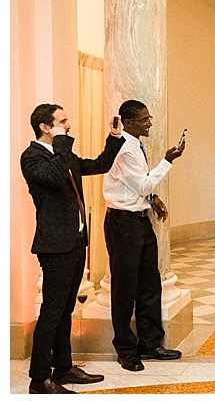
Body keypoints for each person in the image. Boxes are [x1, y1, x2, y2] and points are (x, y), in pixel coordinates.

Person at [20, 103, 124, 393]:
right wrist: (62, 144)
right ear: (44, 126)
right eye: (62, 121)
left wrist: (114, 139)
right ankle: (39, 378)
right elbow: (53, 178)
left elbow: (98, 165)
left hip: (76, 242)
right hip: (54, 246)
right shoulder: (32, 157)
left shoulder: (61, 154)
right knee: (52, 311)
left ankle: (63, 368)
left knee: (66, 309)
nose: (68, 125)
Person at [102, 99, 186, 372]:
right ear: (129, 123)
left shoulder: (135, 145)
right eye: (145, 119)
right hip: (123, 225)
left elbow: (138, 186)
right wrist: (167, 161)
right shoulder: (124, 149)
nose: (150, 122)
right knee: (124, 289)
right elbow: (140, 183)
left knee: (150, 283)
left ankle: (150, 342)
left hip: (140, 221)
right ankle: (126, 350)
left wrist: (153, 198)